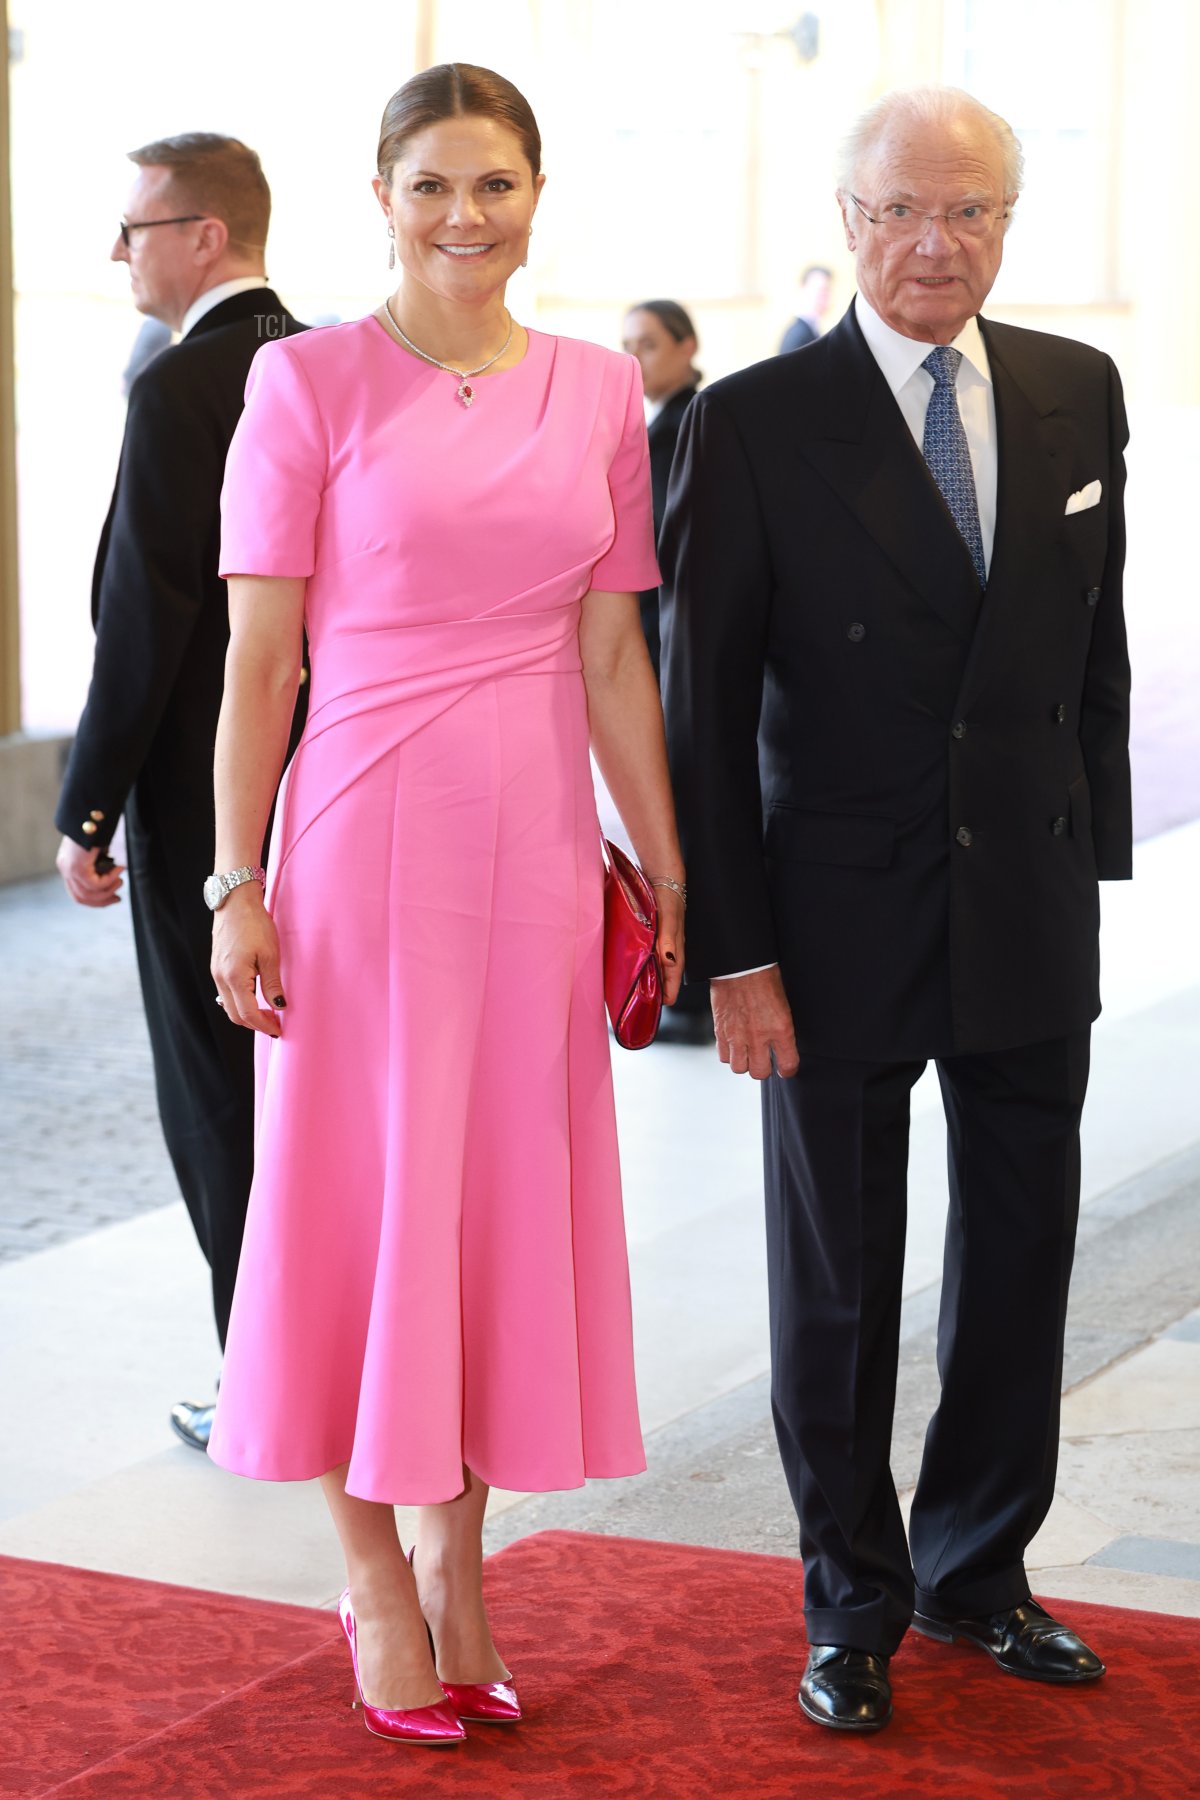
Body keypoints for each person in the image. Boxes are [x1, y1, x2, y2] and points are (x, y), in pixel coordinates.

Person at [205, 63, 685, 1747]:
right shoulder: (303, 380)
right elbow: (260, 661)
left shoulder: (599, 390)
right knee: (362, 1207)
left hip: (534, 855)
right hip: (359, 848)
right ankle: (372, 1575)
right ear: (382, 200)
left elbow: (614, 656)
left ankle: (458, 1565)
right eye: (431, 185)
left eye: (494, 184)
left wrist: (665, 863)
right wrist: (237, 882)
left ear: (536, 195)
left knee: (488, 1215)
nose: (464, 215)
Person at [661, 85, 1129, 1735]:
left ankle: (978, 1570)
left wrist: (1089, 861)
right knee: (842, 1279)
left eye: (970, 211)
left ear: (1009, 222)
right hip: (831, 920)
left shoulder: (1075, 390)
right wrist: (734, 952)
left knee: (1022, 1255)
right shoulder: (755, 419)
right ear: (848, 222)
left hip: (1025, 907)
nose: (937, 243)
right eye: (902, 211)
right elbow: (703, 714)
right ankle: (850, 1599)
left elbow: (1093, 652)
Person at [54, 134, 306, 1452]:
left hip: (202, 806)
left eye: (136, 227)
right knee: (313, 1096)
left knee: (217, 1097)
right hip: (327, 786)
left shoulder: (180, 384)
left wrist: (86, 809)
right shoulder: (330, 362)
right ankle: (336, 1362)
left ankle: (260, 1383)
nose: (119, 252)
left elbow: (141, 623)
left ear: (207, 236)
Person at [621, 299, 709, 1043]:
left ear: (686, 346)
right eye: (626, 344)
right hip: (655, 643)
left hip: (674, 646)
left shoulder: (691, 425)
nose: (634, 359)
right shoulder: (657, 424)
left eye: (647, 344)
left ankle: (693, 986)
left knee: (683, 814)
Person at [778, 263, 833, 353]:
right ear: (803, 289)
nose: (825, 295)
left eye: (828, 290)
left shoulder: (811, 330)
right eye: (819, 289)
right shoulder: (798, 334)